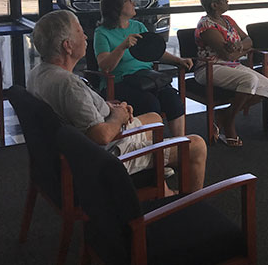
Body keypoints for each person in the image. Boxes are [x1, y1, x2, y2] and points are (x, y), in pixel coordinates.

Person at [27, 10, 207, 194]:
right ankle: (190, 207)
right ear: (68, 46)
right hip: (107, 156)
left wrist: (109, 108)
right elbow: (101, 136)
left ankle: (163, 190)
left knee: (154, 118)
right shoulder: (69, 85)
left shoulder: (38, 73)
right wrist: (118, 116)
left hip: (79, 148)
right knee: (197, 145)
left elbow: (80, 111)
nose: (86, 36)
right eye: (80, 32)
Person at [94, 0, 192, 138]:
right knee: (150, 103)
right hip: (119, 82)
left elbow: (156, 54)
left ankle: (179, 147)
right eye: (129, 1)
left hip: (146, 78)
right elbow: (105, 67)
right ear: (116, 6)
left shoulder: (138, 26)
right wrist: (122, 47)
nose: (134, 4)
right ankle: (154, 151)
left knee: (173, 99)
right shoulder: (102, 33)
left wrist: (179, 60)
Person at [195, 0, 268, 147]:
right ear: (214, 5)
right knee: (249, 80)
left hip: (231, 65)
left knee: (267, 86)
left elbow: (249, 39)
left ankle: (225, 114)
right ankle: (230, 124)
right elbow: (226, 54)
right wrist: (242, 50)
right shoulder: (206, 25)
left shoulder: (228, 20)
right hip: (210, 68)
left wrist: (240, 48)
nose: (227, 1)